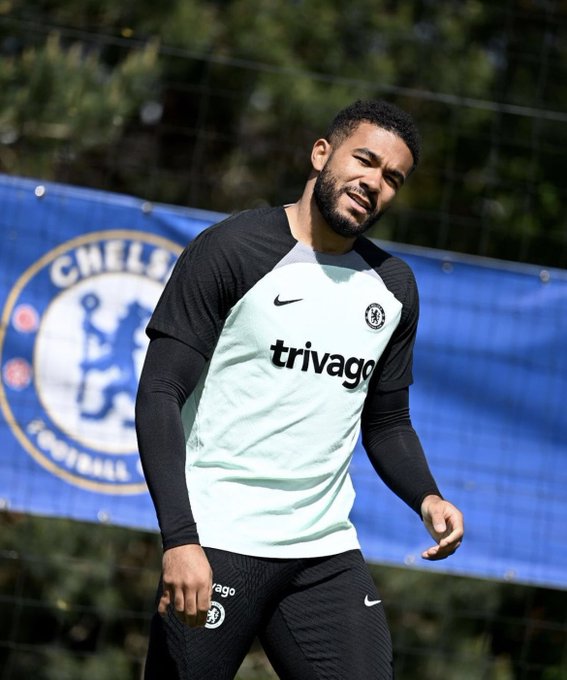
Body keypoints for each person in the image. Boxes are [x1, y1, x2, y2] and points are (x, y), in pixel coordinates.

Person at [135, 99, 464, 680]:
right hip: (215, 541)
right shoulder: (230, 249)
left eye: (393, 179)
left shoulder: (393, 288)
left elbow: (386, 422)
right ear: (321, 154)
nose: (374, 183)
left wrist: (427, 496)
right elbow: (159, 392)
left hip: (322, 551)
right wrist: (180, 541)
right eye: (365, 161)